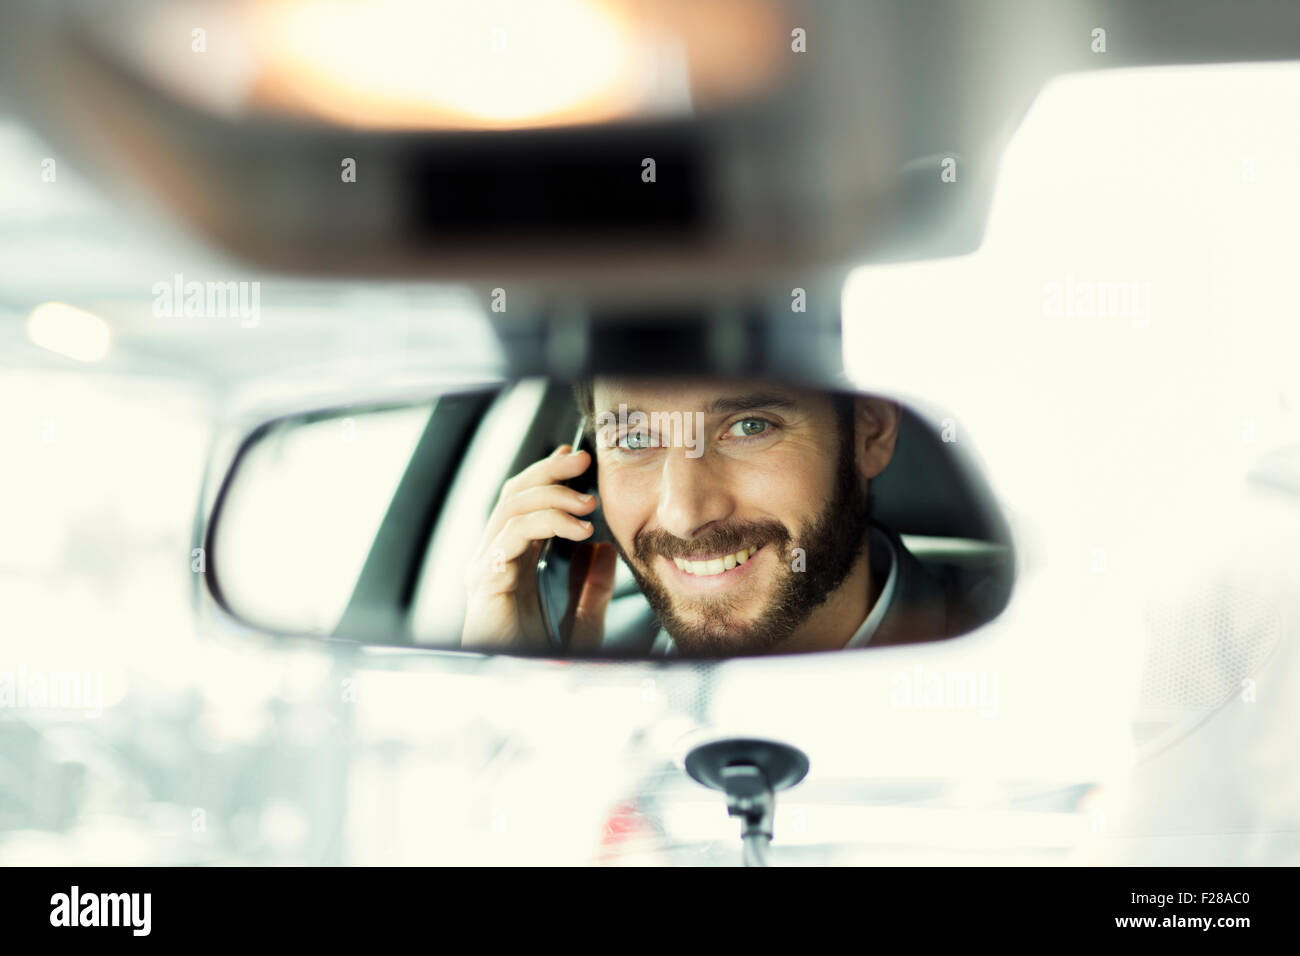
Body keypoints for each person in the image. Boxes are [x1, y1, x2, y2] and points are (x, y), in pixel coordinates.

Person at [461, 376, 987, 657]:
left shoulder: (1001, 648)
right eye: (636, 440)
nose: (685, 514)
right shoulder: (590, 677)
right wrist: (514, 692)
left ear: (869, 431)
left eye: (750, 427)